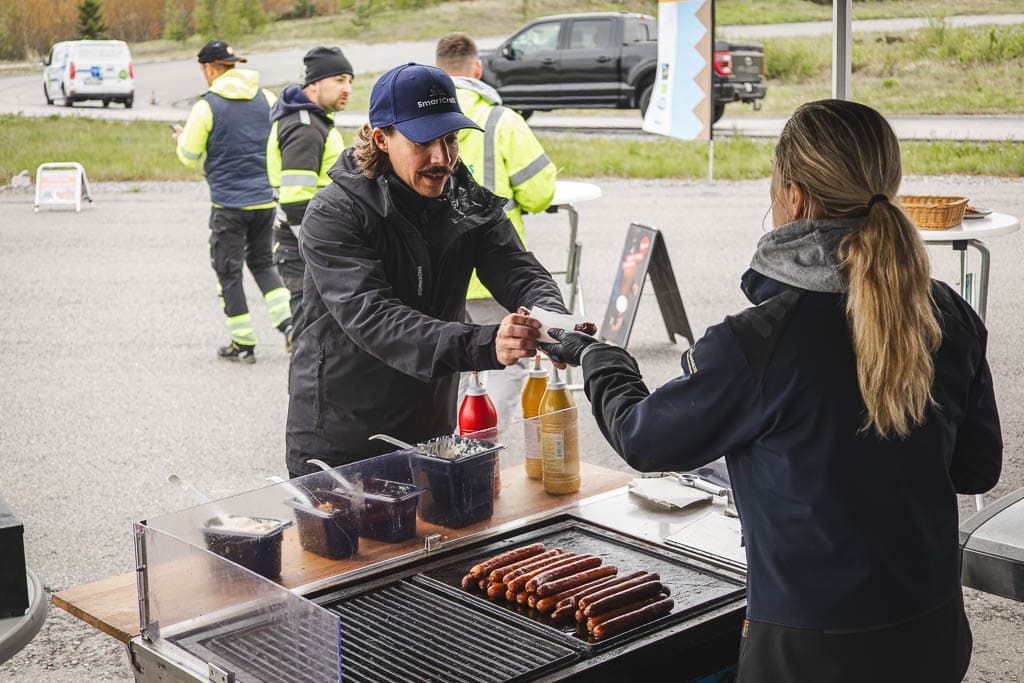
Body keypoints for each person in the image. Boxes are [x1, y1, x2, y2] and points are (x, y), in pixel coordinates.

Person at [541, 100, 1001, 683]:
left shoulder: (758, 340)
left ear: (798, 198)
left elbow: (642, 436)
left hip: (810, 652)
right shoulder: (948, 314)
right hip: (930, 633)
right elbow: (976, 469)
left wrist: (601, 358)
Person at [285, 63, 568, 478]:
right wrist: (487, 344)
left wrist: (552, 319)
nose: (442, 158)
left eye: (451, 139)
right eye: (423, 143)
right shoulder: (334, 212)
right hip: (342, 436)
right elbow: (375, 319)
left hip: (430, 425)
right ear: (381, 139)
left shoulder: (461, 197)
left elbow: (515, 267)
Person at [436, 32, 557, 424]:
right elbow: (540, 193)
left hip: (440, 275)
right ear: (477, 68)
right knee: (508, 359)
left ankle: (451, 438)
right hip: (494, 276)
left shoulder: (424, 120)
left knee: (447, 357)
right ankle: (486, 444)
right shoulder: (501, 120)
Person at [174, 40, 292, 363]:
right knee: (265, 264)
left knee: (229, 271)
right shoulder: (266, 98)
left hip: (228, 205)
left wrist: (182, 138)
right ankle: (291, 325)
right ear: (233, 65)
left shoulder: (206, 106)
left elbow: (188, 156)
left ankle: (243, 343)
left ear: (209, 69)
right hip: (264, 201)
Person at [267, 46, 353, 343]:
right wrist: (323, 253)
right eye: (340, 79)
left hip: (308, 248)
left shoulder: (312, 121)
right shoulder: (304, 128)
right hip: (306, 252)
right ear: (314, 84)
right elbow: (294, 202)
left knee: (317, 341)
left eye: (350, 81)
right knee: (311, 343)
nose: (348, 89)